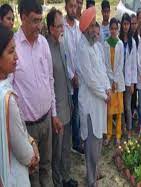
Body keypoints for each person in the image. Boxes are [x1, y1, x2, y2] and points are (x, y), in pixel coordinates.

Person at [12, 0, 60, 186]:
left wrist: (54, 114)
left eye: (41, 20)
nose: (39, 26)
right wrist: (22, 134)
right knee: (31, 174)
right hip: (26, 128)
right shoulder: (13, 48)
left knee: (46, 166)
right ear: (22, 17)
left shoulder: (43, 44)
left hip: (46, 121)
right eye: (34, 21)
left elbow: (50, 80)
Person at [0, 24, 39, 187]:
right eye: (10, 52)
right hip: (12, 175)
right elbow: (24, 154)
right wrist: (33, 153)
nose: (16, 57)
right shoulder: (6, 98)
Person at [76, 7, 111, 186]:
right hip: (91, 103)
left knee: (97, 142)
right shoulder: (82, 48)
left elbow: (102, 70)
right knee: (90, 144)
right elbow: (89, 80)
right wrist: (104, 95)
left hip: (100, 101)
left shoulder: (96, 45)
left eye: (95, 26)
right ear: (86, 28)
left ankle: (95, 173)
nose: (95, 30)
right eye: (92, 27)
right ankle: (91, 181)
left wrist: (108, 88)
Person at [46, 8, 78, 187]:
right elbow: (48, 84)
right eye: (59, 27)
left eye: (62, 26)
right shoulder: (46, 49)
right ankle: (57, 182)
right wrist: (54, 112)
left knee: (66, 148)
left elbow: (65, 74)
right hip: (56, 111)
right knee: (56, 152)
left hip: (67, 104)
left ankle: (66, 178)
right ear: (51, 28)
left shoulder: (61, 44)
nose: (62, 30)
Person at [63, 0, 83, 154]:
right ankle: (67, 142)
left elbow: (80, 52)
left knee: (77, 110)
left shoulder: (79, 26)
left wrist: (78, 74)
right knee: (68, 112)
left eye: (75, 6)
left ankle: (76, 142)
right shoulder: (61, 27)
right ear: (65, 7)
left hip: (79, 77)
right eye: (71, 6)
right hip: (66, 79)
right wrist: (71, 75)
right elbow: (63, 56)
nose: (73, 9)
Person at [103, 18, 125, 145]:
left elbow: (120, 64)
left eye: (116, 28)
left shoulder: (120, 44)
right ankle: (109, 134)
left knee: (119, 111)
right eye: (111, 28)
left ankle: (118, 134)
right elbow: (106, 64)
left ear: (118, 29)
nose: (113, 31)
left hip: (118, 82)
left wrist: (115, 80)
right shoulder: (106, 44)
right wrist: (111, 80)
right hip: (109, 82)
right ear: (109, 29)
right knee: (109, 111)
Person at [119, 13, 137, 139]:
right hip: (119, 79)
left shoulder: (133, 42)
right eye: (124, 24)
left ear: (130, 25)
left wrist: (132, 83)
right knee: (120, 107)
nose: (126, 26)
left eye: (127, 24)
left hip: (128, 80)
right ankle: (123, 128)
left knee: (127, 106)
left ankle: (129, 129)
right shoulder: (118, 40)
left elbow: (134, 64)